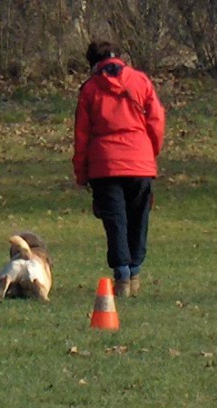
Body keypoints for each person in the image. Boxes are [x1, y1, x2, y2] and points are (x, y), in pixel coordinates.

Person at [72, 41, 165, 297]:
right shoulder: (140, 80)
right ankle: (135, 271)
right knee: (139, 219)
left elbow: (81, 135)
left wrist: (81, 173)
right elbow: (156, 121)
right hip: (140, 161)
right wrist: (150, 153)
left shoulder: (90, 89)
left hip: (105, 165)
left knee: (115, 222)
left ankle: (122, 276)